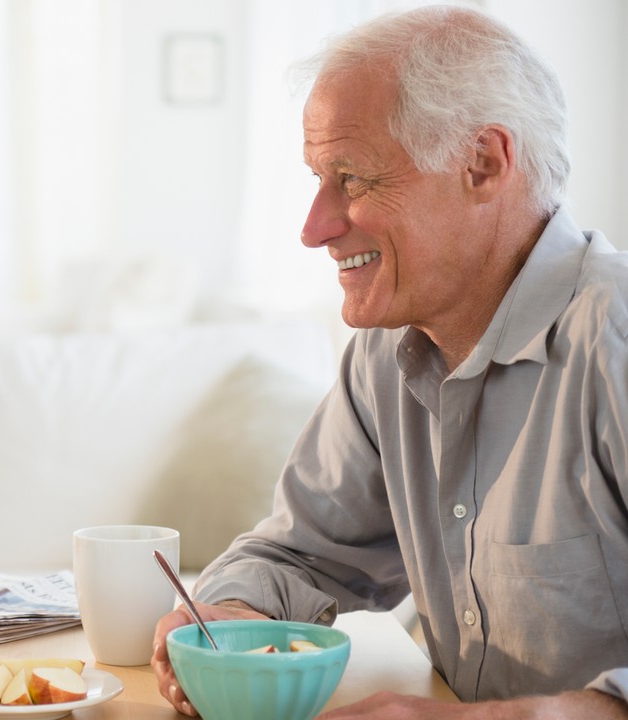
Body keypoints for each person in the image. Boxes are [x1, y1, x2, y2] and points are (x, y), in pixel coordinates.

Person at [152, 5, 628, 719]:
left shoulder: (612, 335)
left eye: (352, 178)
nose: (314, 228)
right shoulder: (388, 352)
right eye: (317, 178)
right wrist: (229, 613)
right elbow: (303, 554)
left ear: (483, 163)